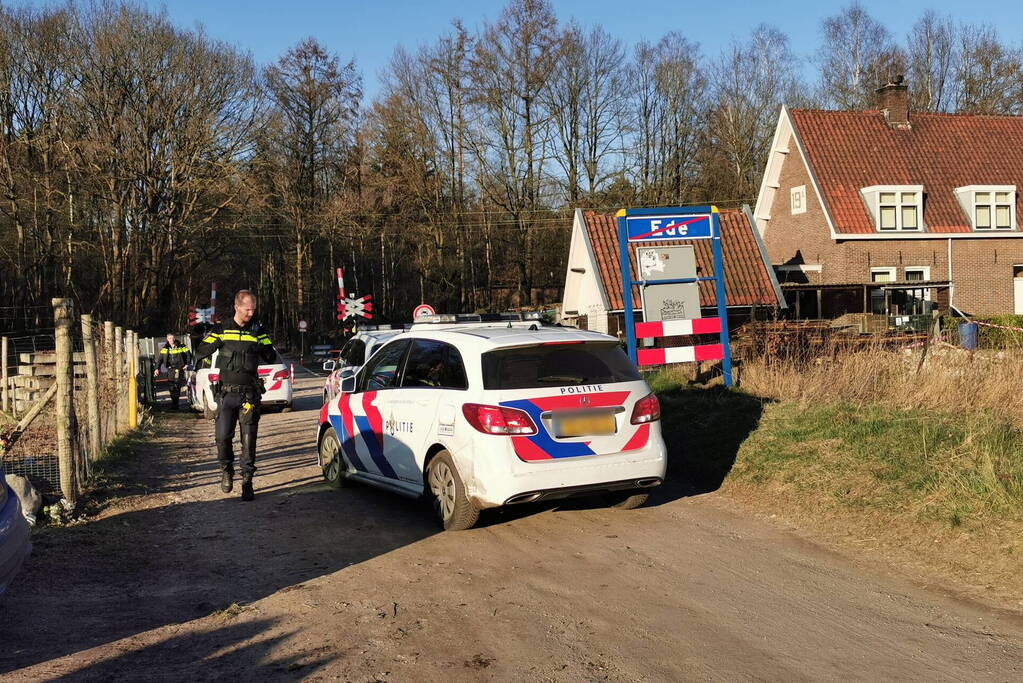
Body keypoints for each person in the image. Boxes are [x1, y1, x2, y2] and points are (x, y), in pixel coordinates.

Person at [193, 290, 276, 501]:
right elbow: (201, 350)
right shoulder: (222, 329)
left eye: (253, 309)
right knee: (222, 438)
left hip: (249, 395)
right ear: (236, 307)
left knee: (248, 440)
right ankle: (226, 469)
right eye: (247, 309)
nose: (251, 313)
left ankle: (247, 482)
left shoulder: (258, 329)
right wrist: (205, 338)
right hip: (226, 394)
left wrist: (261, 343)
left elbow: (270, 355)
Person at [155, 333, 192, 410]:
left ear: (174, 338)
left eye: (172, 338)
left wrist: (187, 364)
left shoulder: (181, 346)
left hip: (179, 369)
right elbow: (160, 359)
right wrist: (156, 368)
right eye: (169, 338)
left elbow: (188, 354)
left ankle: (176, 403)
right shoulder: (165, 348)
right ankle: (174, 402)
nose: (171, 340)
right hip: (170, 369)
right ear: (167, 339)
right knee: (171, 385)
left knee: (177, 385)